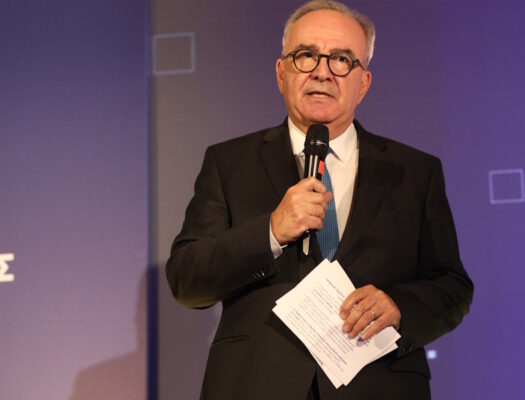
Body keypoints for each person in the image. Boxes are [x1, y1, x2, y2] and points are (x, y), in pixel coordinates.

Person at [165, 1, 474, 398]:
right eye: (306, 55)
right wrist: (270, 231)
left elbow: (452, 287)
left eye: (342, 59)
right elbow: (187, 280)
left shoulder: (414, 172)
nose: (323, 72)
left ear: (364, 83)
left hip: (377, 385)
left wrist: (400, 306)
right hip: (257, 385)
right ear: (281, 73)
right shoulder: (228, 163)